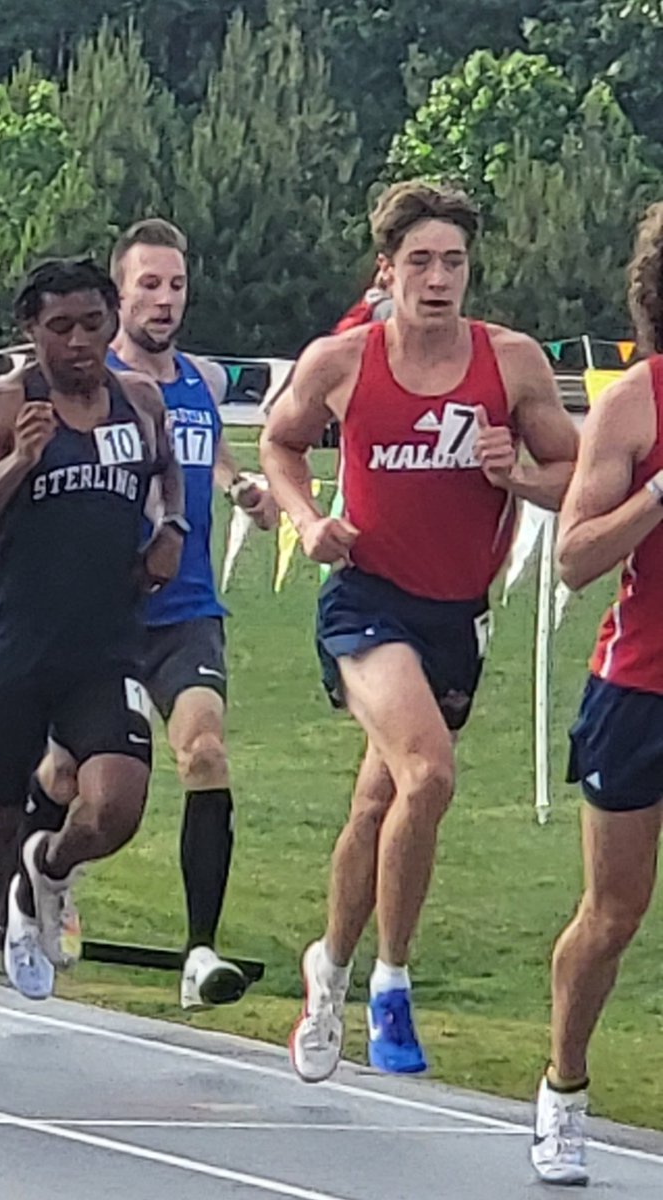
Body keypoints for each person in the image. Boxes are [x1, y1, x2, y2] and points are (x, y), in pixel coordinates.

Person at [261, 181, 578, 1081]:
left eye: (454, 263)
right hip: (367, 599)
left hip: (455, 616)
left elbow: (576, 475)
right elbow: (280, 443)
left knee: (381, 803)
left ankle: (329, 966)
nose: (438, 280)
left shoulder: (511, 363)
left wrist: (516, 475)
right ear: (387, 271)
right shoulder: (343, 361)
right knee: (430, 774)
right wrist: (306, 521)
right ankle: (392, 983)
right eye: (421, 263)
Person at [0, 258, 185, 1066]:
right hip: (15, 650)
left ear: (112, 321)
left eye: (91, 324)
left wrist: (173, 528)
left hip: (103, 647)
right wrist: (17, 463)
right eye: (59, 327)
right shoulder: (6, 405)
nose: (78, 342)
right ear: (29, 331)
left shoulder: (139, 401)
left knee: (117, 808)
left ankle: (49, 865)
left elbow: (166, 470)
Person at [27, 219, 277, 1011]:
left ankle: (200, 953)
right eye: (149, 285)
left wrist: (241, 487)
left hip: (188, 610)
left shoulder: (198, 380)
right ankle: (44, 874)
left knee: (204, 752)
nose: (165, 300)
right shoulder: (94, 384)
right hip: (105, 614)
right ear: (118, 295)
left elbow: (208, 450)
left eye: (176, 285)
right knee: (66, 777)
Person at [531, 203, 663, 1186]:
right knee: (614, 913)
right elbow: (574, 556)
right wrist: (657, 494)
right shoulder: (634, 404)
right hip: (641, 688)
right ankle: (563, 1088)